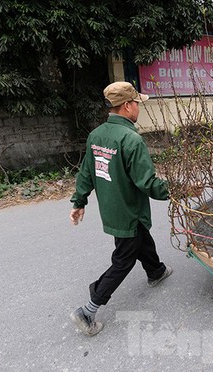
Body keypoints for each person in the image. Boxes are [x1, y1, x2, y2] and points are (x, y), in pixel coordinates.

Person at [68, 81, 172, 336]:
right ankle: (88, 310)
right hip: (130, 212)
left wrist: (78, 201)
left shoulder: (97, 135)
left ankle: (155, 271)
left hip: (114, 210)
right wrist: (175, 190)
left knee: (140, 241)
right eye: (137, 103)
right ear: (127, 106)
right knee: (124, 259)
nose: (139, 108)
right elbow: (147, 182)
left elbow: (86, 173)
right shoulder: (131, 139)